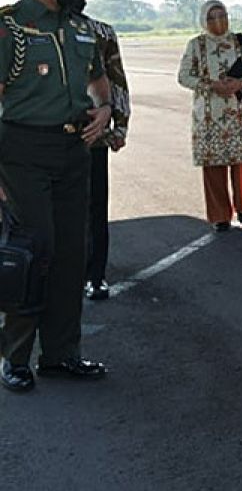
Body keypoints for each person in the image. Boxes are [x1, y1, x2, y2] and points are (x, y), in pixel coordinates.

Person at [0, 0, 112, 392]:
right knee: (34, 251)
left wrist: (104, 110)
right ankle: (15, 358)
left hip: (73, 153)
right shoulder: (10, 28)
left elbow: (100, 81)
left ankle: (62, 354)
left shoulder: (82, 28)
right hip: (23, 152)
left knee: (72, 253)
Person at [177, 1, 242, 232]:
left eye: (222, 15)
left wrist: (241, 83)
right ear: (203, 21)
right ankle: (220, 216)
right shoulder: (196, 45)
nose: (218, 21)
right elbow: (184, 76)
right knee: (213, 168)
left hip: (239, 113)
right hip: (209, 116)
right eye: (211, 18)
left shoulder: (241, 41)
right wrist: (211, 86)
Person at [84, 16, 131, 301]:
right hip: (44, 140)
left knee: (95, 210)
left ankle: (95, 275)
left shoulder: (101, 32)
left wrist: (120, 126)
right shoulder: (24, 26)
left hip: (93, 137)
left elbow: (116, 80)